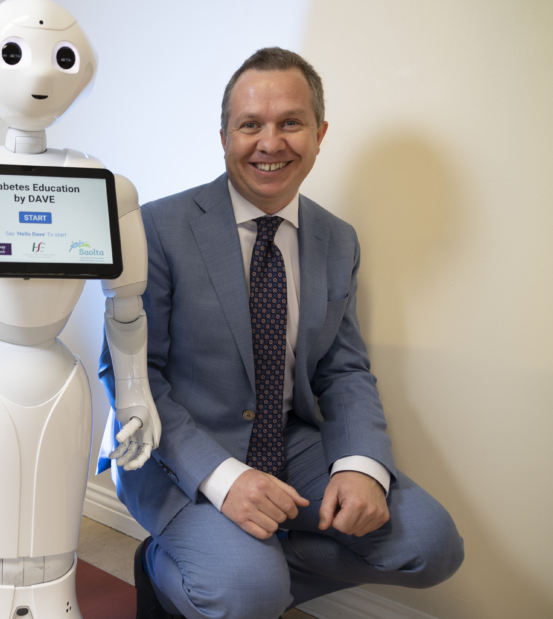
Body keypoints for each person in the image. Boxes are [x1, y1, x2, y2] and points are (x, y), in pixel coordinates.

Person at [98, 48, 464, 619]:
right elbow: (133, 377)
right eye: (250, 125)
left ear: (319, 134)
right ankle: (170, 565)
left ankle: (245, 564)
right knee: (250, 595)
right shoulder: (156, 228)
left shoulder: (337, 239)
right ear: (223, 136)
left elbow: (342, 369)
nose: (270, 144)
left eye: (290, 123)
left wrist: (360, 466)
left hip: (292, 442)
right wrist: (222, 480)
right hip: (179, 447)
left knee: (432, 545)